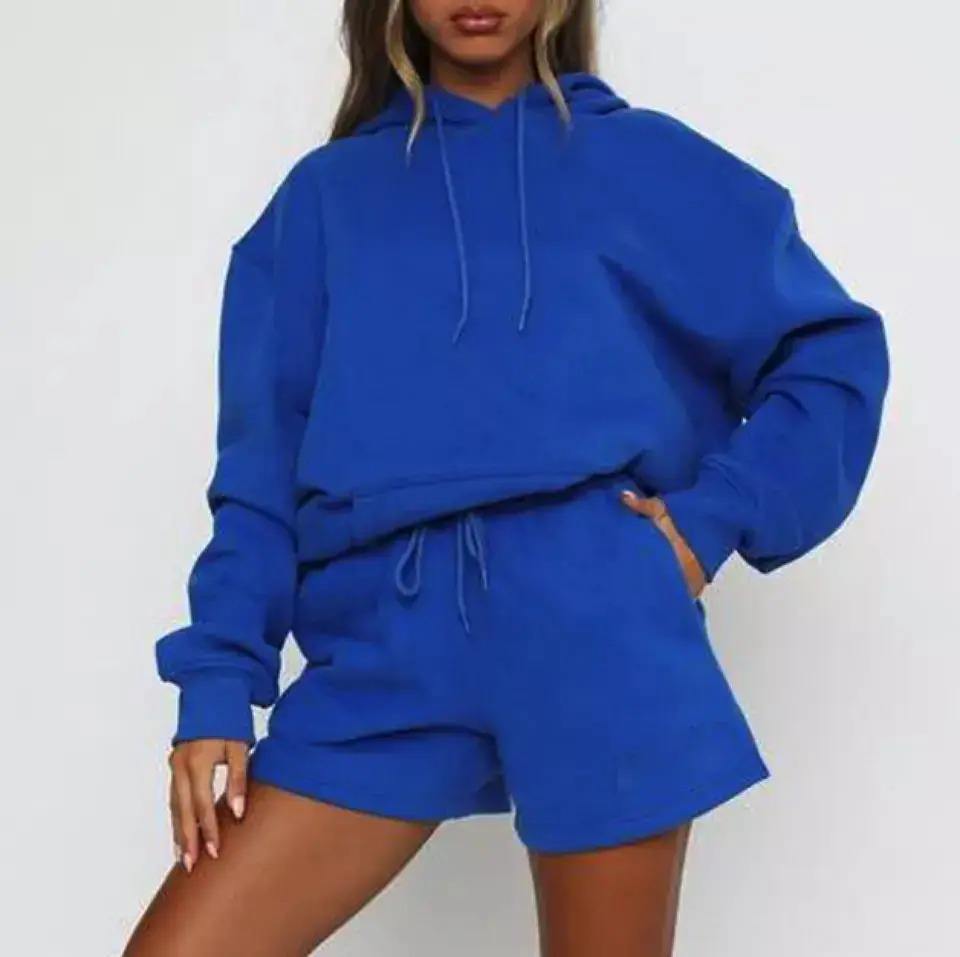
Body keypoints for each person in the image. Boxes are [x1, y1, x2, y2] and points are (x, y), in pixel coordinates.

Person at [124, 1, 889, 954]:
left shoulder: (648, 164)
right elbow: (258, 470)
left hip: (597, 629)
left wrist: (708, 523)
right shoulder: (324, 200)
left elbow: (831, 354)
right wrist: (216, 680)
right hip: (384, 648)